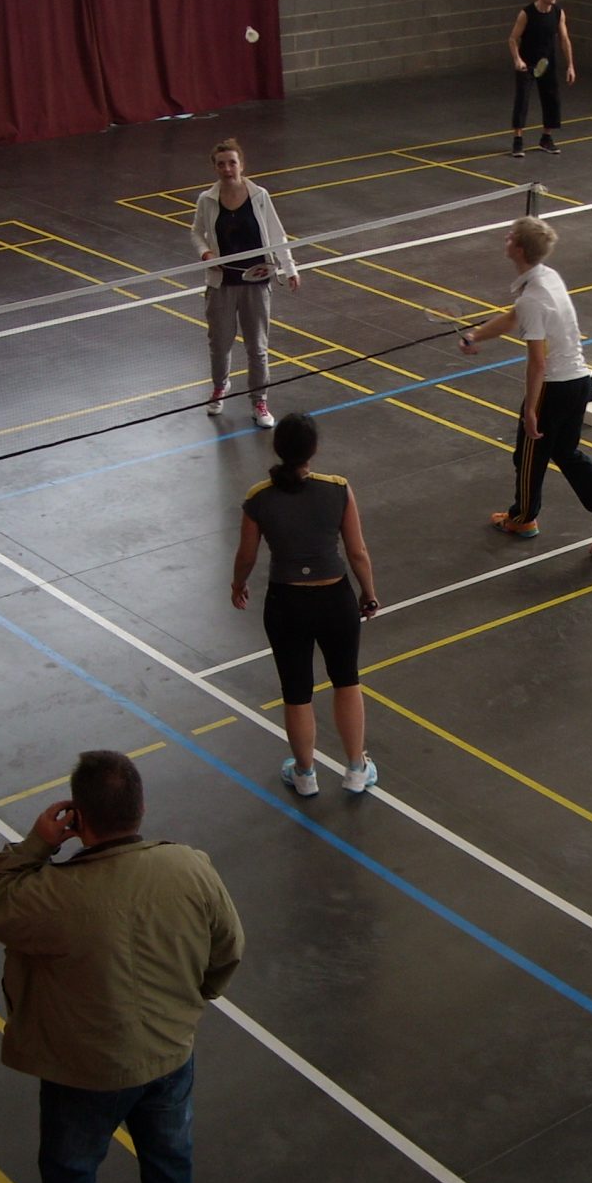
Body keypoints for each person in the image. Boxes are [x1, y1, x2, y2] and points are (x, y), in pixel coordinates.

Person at [0, 751, 244, 1183]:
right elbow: (229, 947)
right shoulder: (190, 867)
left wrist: (36, 844)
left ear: (78, 818)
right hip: (170, 1053)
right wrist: (196, 999)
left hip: (84, 1070)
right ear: (140, 807)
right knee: (170, 1158)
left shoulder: (53, 894)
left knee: (71, 1171)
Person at [458, 217, 592, 555]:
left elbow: (537, 362)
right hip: (579, 381)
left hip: (554, 388)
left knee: (528, 457)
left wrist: (531, 411)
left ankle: (522, 519)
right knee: (566, 453)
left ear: (519, 249)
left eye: (511, 236)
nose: (506, 237)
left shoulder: (532, 299)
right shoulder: (547, 278)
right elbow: (513, 317)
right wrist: (476, 334)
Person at [232, 412, 381, 796]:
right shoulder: (338, 489)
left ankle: (305, 775)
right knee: (347, 680)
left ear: (278, 449)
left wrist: (238, 584)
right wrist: (368, 593)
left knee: (296, 691)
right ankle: (356, 769)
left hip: (286, 605)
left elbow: (246, 555)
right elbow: (358, 552)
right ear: (313, 450)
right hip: (335, 601)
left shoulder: (258, 497)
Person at [191, 139, 301, 431]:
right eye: (221, 164)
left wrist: (289, 267)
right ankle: (220, 387)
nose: (227, 169)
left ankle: (259, 401)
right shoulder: (207, 200)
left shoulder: (259, 196)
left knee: (257, 348)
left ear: (241, 164)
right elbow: (196, 233)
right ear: (215, 168)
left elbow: (277, 235)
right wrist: (206, 253)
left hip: (257, 282)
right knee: (219, 344)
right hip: (221, 285)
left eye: (232, 162)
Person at [506, 0, 575, 160]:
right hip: (527, 64)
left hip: (547, 64)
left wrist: (570, 65)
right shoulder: (526, 14)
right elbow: (512, 39)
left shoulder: (558, 13)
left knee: (552, 100)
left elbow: (564, 40)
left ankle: (546, 138)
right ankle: (518, 140)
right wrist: (517, 60)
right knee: (522, 100)